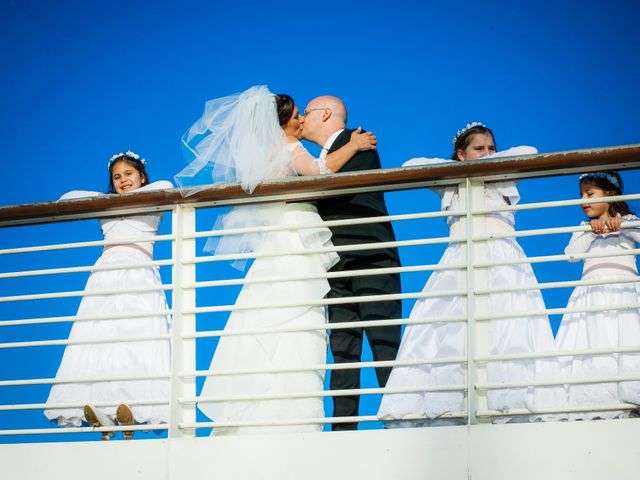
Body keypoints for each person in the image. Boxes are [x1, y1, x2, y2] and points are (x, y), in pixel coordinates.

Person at [177, 86, 377, 435]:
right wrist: (354, 146)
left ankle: (259, 413)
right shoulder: (290, 147)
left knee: (272, 316)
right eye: (297, 114)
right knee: (296, 317)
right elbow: (319, 170)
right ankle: (293, 419)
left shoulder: (268, 153)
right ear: (283, 122)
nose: (301, 120)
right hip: (296, 241)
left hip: (279, 241)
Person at [377, 122, 556, 426]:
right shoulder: (450, 181)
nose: (488, 154)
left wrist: (484, 162)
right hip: (461, 257)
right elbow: (412, 165)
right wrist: (460, 169)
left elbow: (530, 152)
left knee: (506, 326)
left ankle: (506, 403)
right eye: (479, 148)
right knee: (453, 329)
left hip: (502, 258)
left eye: (491, 148)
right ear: (461, 153)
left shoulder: (504, 174)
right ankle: (454, 404)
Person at [44, 151, 173, 440]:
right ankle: (104, 416)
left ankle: (130, 411)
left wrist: (119, 196)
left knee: (134, 339)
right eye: (117, 177)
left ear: (141, 176)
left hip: (138, 272)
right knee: (100, 340)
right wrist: (105, 198)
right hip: (106, 276)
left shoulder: (153, 198)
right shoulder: (107, 204)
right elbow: (67, 198)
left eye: (129, 174)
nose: (123, 180)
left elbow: (164, 184)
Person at [302, 95, 402, 430]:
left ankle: (401, 423)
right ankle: (343, 432)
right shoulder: (320, 156)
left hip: (372, 259)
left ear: (326, 113)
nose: (301, 118)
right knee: (343, 353)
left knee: (384, 346)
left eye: (307, 112)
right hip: (336, 269)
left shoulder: (359, 143)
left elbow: (332, 189)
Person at [554, 171, 640, 420]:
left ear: (610, 194)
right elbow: (572, 254)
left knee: (623, 340)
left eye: (590, 194)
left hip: (622, 292)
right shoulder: (583, 228)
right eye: (581, 195)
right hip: (591, 293)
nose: (584, 200)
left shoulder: (629, 221)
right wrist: (591, 232)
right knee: (592, 341)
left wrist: (623, 225)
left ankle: (629, 400)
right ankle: (593, 403)